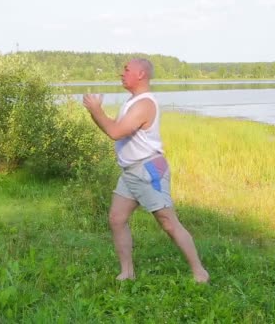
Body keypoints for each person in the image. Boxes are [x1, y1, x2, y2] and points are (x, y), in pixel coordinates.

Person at [82, 58, 210, 283]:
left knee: (168, 223)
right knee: (117, 218)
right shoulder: (133, 101)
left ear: (140, 74)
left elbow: (115, 132)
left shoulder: (144, 104)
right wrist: (95, 113)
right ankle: (127, 272)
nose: (121, 73)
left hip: (148, 170)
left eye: (126, 69)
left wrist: (96, 109)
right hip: (132, 171)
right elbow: (112, 127)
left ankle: (200, 272)